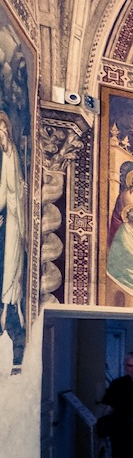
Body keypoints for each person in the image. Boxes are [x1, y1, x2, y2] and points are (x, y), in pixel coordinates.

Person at [0, 113, 25, 335]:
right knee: (8, 260)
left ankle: (13, 304)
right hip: (9, 216)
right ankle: (7, 306)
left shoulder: (12, 154)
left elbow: (13, 187)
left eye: (4, 131)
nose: (2, 135)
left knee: (14, 260)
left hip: (15, 217)